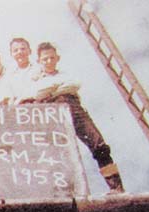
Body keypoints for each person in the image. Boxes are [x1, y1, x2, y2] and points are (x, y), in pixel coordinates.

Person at [29, 42, 125, 194]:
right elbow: (38, 93)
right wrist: (57, 89)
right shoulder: (35, 80)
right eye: (45, 59)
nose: (49, 62)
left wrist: (51, 90)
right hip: (51, 112)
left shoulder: (67, 74)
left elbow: (73, 85)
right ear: (39, 61)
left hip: (73, 107)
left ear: (57, 58)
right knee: (54, 154)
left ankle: (116, 186)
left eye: (52, 58)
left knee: (98, 145)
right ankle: (61, 193)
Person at [9, 37, 39, 104]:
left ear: (30, 51)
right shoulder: (9, 75)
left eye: (23, 49)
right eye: (15, 50)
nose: (19, 52)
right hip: (18, 109)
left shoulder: (39, 69)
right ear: (11, 54)